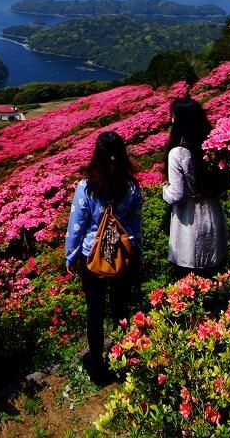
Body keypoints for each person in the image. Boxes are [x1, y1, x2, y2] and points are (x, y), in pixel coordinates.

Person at [64, 130, 143, 385]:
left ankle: (98, 365)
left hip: (92, 256)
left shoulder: (86, 187)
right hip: (123, 254)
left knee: (95, 311)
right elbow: (135, 223)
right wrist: (136, 250)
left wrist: (70, 257)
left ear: (97, 155)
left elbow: (76, 226)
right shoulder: (131, 185)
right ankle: (125, 358)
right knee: (121, 308)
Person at [162, 96, 227, 276]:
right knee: (213, 275)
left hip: (188, 222)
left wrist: (164, 189)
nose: (171, 119)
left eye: (173, 116)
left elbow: (176, 195)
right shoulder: (213, 146)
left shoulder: (178, 152)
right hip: (213, 215)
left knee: (188, 278)